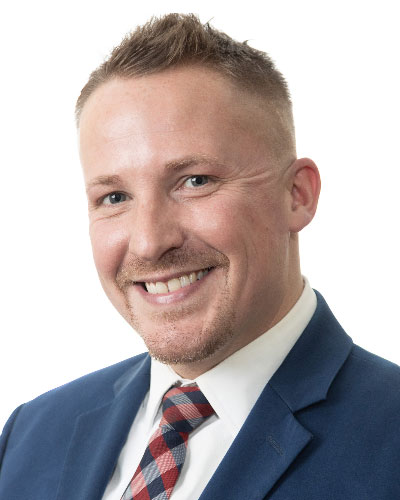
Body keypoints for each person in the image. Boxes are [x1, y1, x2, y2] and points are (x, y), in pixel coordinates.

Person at [0, 13, 399, 500]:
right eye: (114, 197)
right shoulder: (30, 436)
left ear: (297, 195)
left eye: (195, 181)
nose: (149, 242)